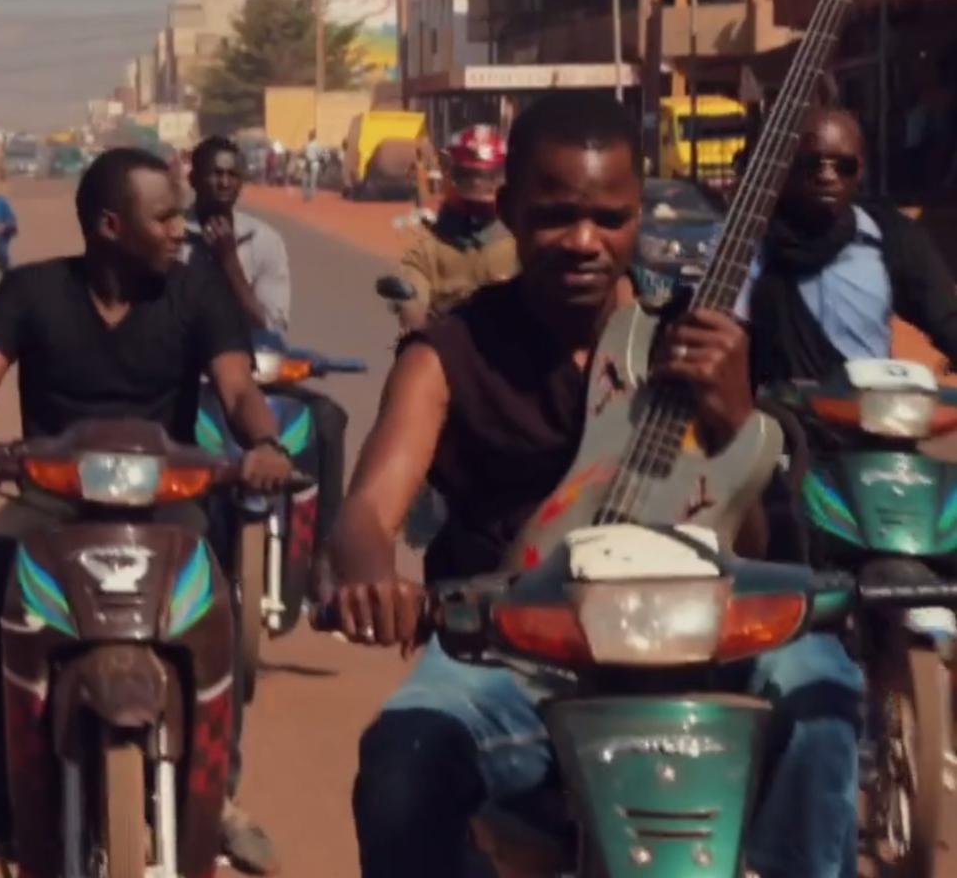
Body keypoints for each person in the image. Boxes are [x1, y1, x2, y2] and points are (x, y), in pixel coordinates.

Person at [330, 91, 862, 878]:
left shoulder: (701, 342)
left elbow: (760, 549)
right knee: (402, 761)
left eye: (610, 218)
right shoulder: (448, 354)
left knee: (821, 691)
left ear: (638, 216)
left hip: (699, 644)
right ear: (508, 208)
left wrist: (735, 419)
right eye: (554, 216)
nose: (584, 242)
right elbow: (367, 512)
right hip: (517, 660)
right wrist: (372, 580)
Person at [0, 147, 295, 870]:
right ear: (109, 224)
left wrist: (263, 442)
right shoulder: (31, 292)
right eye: (163, 217)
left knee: (212, 607)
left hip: (168, 501)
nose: (179, 231)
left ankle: (216, 791)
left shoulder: (197, 294)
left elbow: (237, 390)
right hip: (50, 498)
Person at [183, 135, 349, 567]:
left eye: (231, 174)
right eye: (213, 173)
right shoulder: (170, 236)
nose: (222, 182)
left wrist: (229, 264)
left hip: (254, 375)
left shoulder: (265, 240)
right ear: (193, 178)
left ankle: (325, 558)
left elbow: (271, 323)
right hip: (189, 378)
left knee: (328, 421)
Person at [742, 106, 957, 388]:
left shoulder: (891, 237)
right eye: (813, 164)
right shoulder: (750, 243)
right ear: (786, 166)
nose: (827, 176)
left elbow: (946, 318)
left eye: (843, 166)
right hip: (781, 422)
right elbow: (722, 337)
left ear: (860, 171)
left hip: (873, 416)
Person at [392, 124, 520, 335]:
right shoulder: (426, 248)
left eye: (488, 176)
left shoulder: (522, 245)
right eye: (467, 176)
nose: (478, 184)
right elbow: (413, 306)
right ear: (451, 174)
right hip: (442, 354)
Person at [302, 131, 323, 202]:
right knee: (307, 179)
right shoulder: (308, 144)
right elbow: (320, 154)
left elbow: (320, 154)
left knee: (311, 180)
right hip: (310, 162)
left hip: (313, 162)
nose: (309, 136)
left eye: (310, 135)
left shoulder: (316, 144)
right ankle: (307, 194)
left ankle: (310, 195)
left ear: (312, 136)